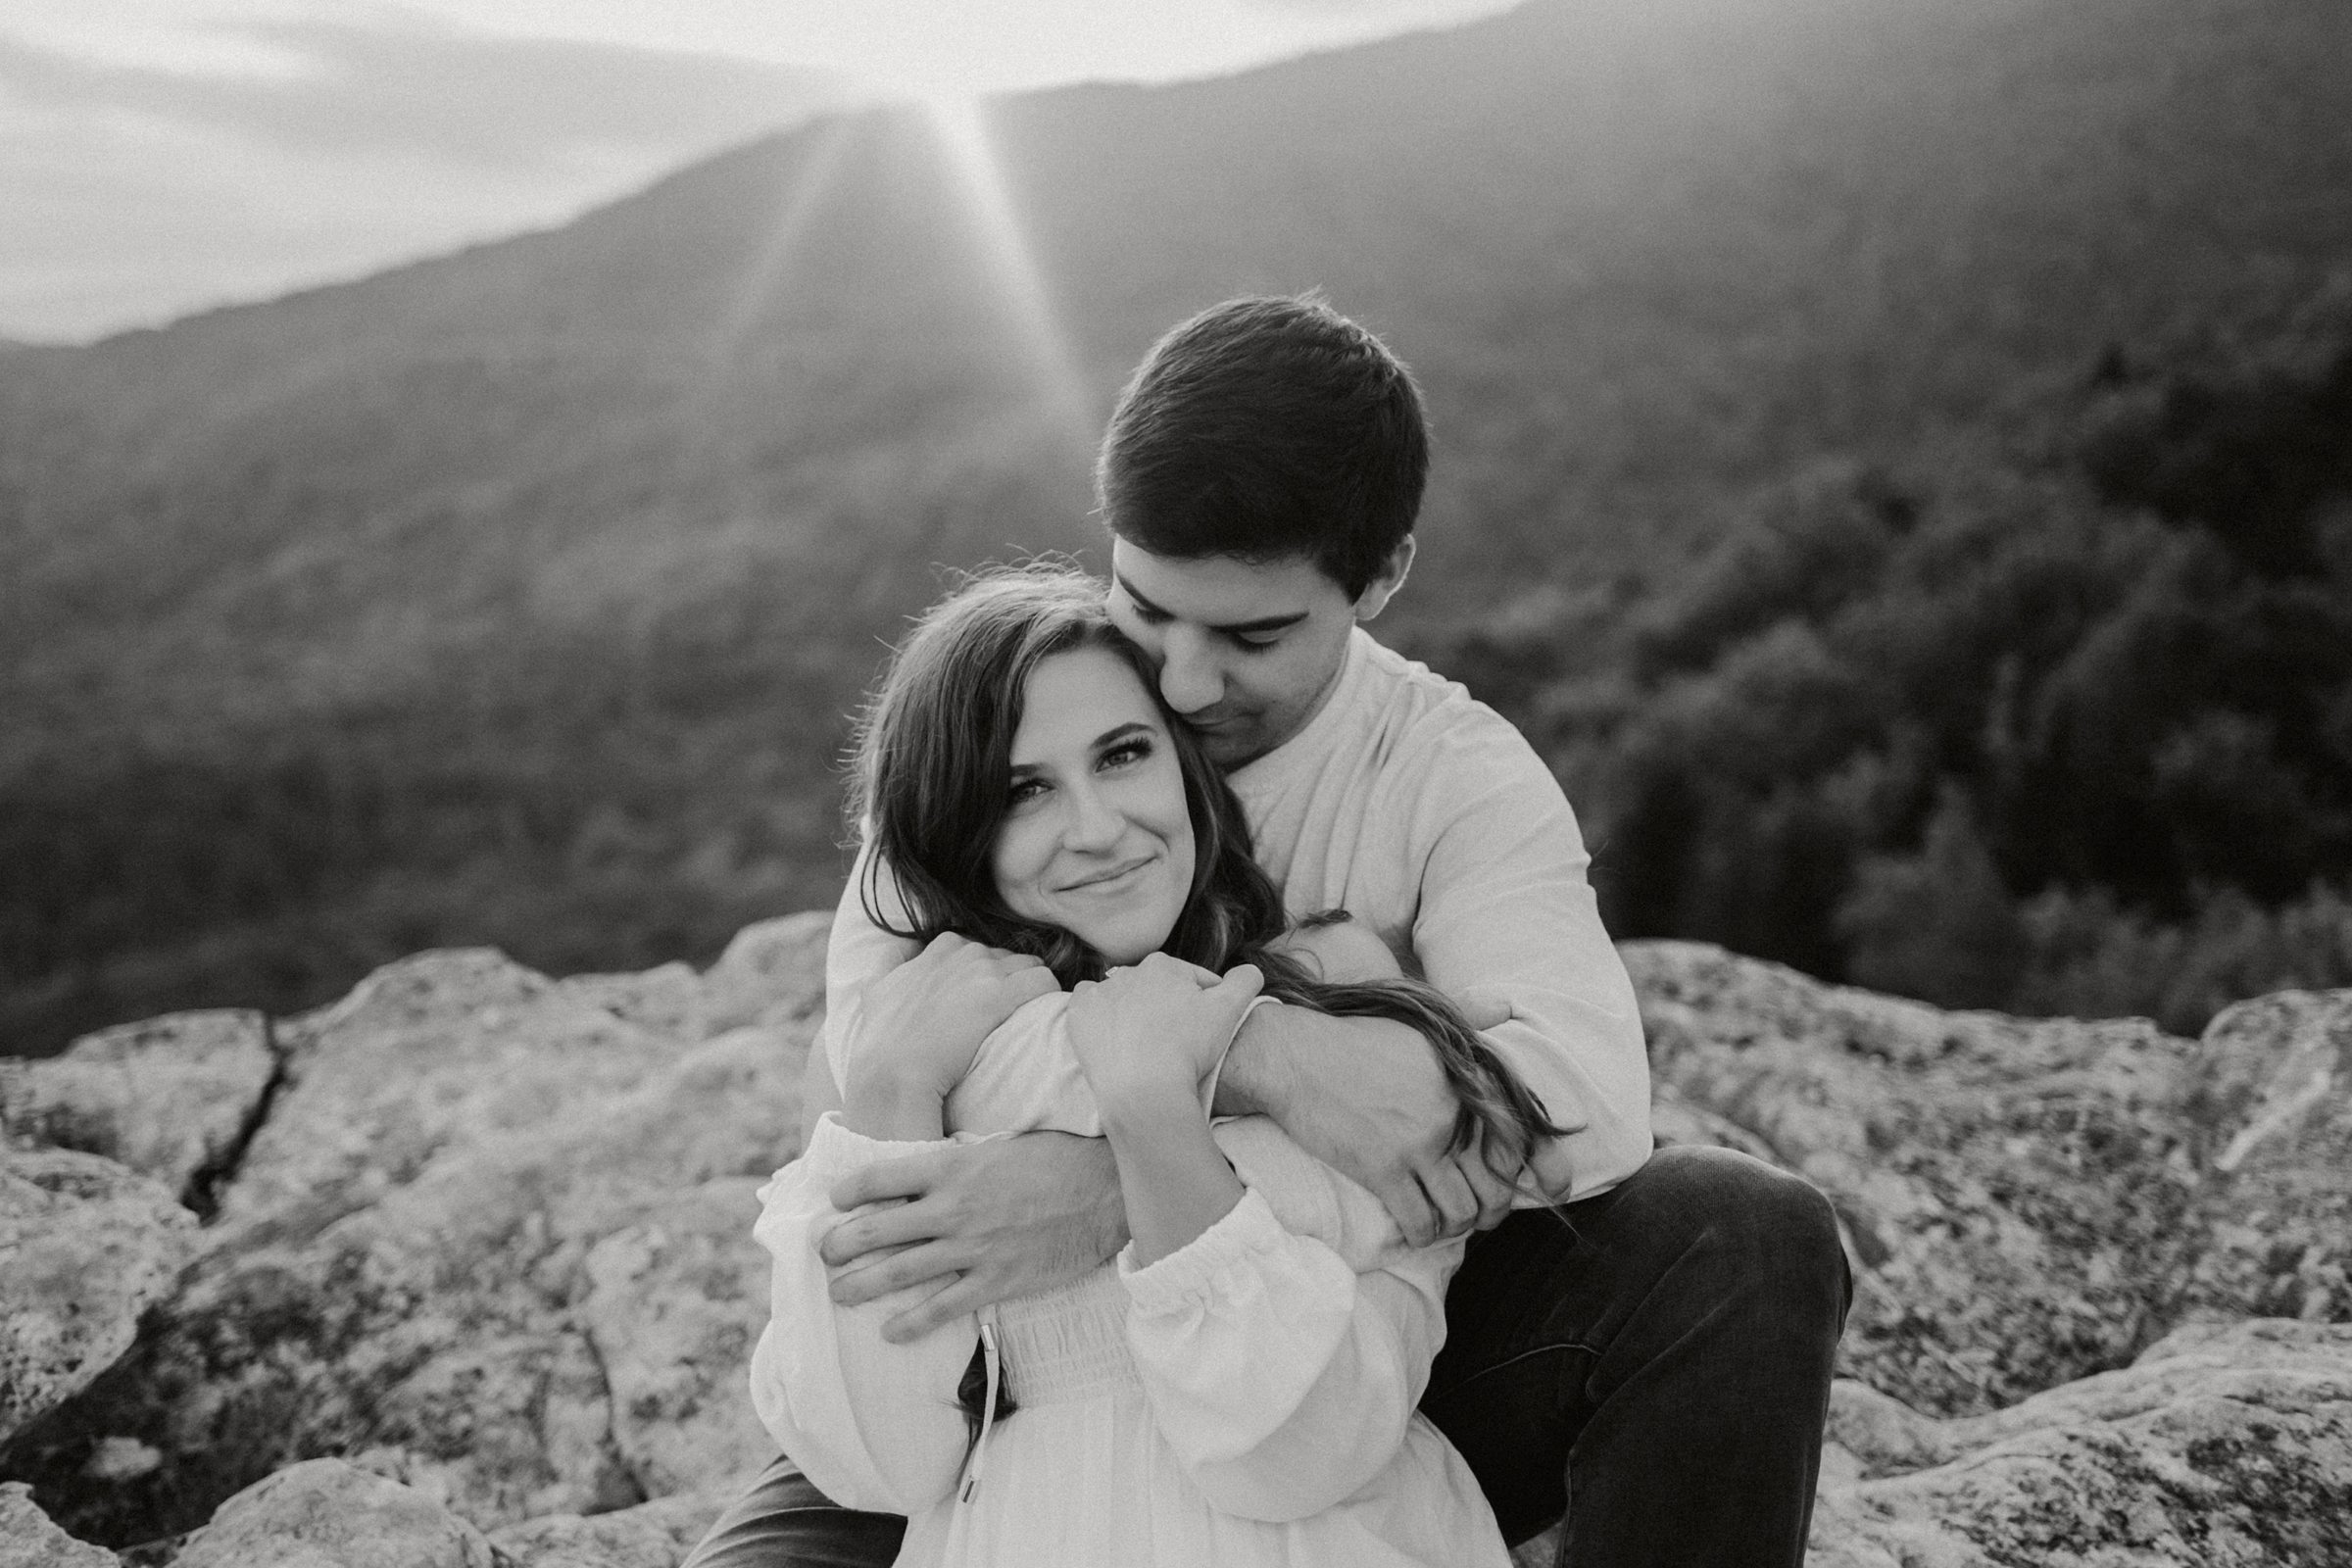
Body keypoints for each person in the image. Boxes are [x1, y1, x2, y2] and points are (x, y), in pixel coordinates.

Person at [689, 296, 1850, 1568]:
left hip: (1332, 1360)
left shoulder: (1451, 774)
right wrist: (1285, 1068)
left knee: (1740, 1240)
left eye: (1251, 636)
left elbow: (1585, 1102)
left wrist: (1144, 1160)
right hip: (994, 1357)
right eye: (1146, 608)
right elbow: (865, 1071)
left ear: (1384, 575)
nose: (1184, 685)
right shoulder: (1009, 721)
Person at [751, 564, 1556, 1564]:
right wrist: (890, 1087)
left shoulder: (1336, 1003)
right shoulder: (908, 1049)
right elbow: (884, 1463)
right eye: (1023, 790)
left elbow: (1299, 1454)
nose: (1097, 828)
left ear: (1183, 760)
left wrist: (1151, 1108)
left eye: (1124, 754)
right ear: (955, 827)